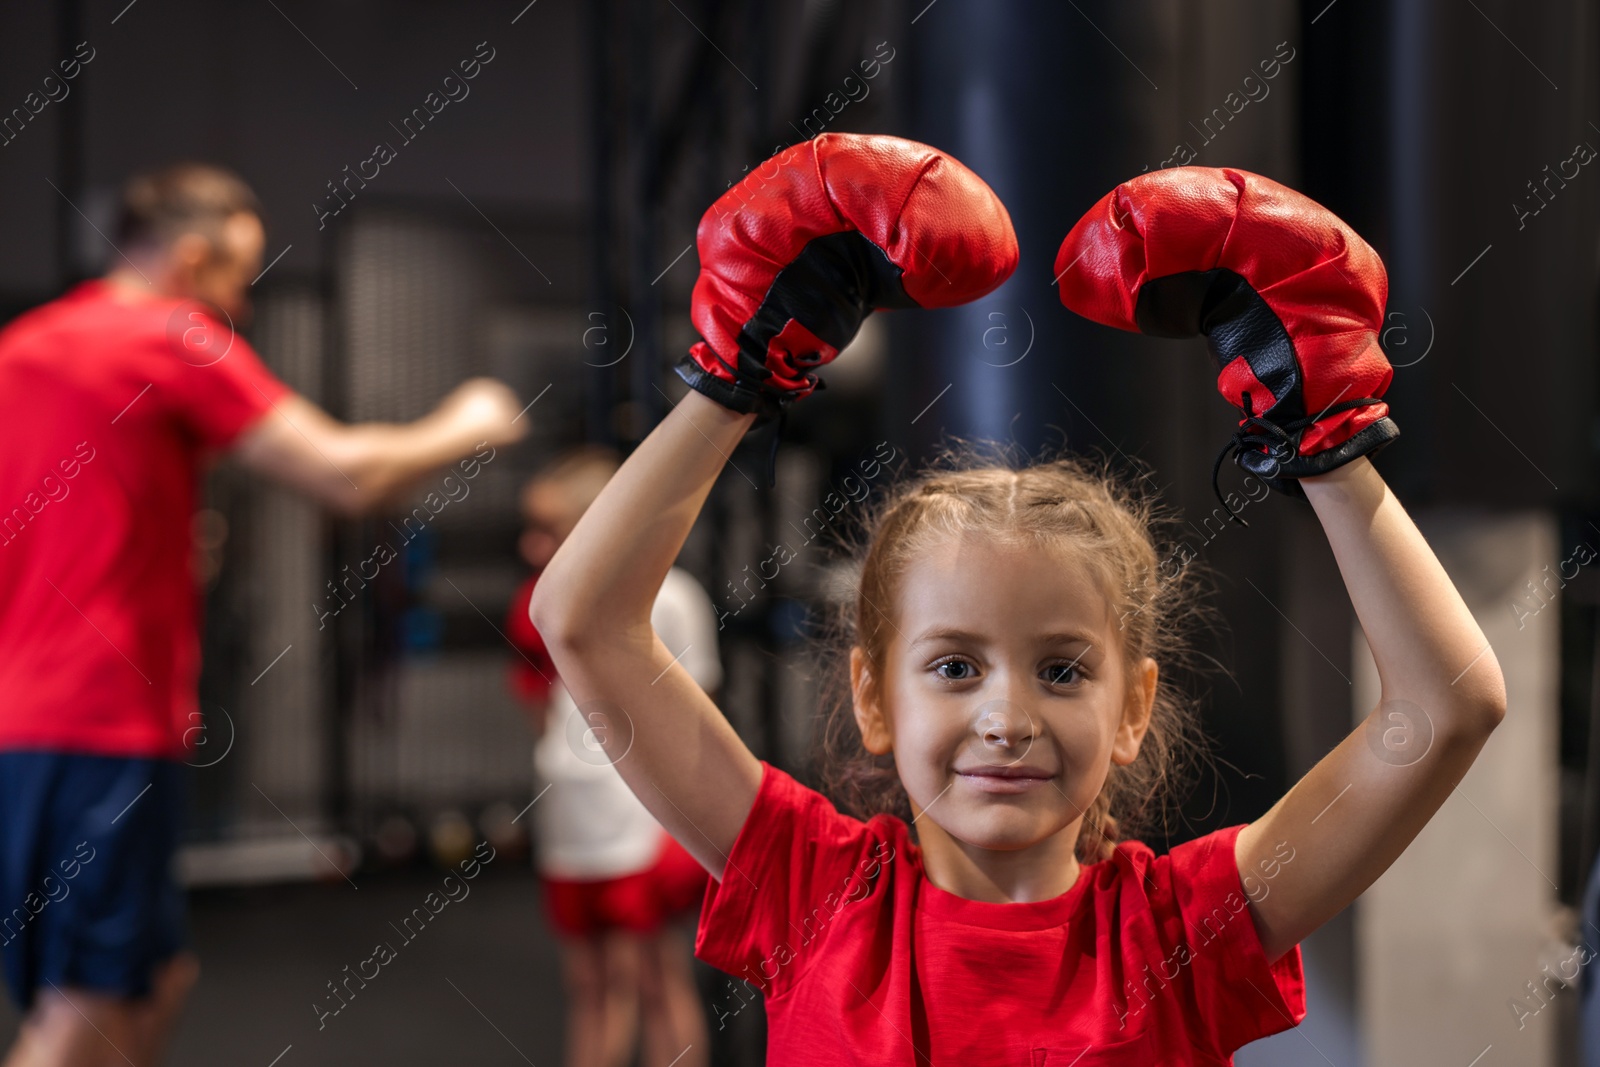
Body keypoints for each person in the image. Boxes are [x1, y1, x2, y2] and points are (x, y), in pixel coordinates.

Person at [528, 135, 1508, 1062]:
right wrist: (730, 382)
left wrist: (1326, 444)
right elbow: (583, 622)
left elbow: (1449, 701)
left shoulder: (1182, 930)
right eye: (954, 666)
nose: (1005, 715)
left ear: (1131, 707)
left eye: (1062, 668)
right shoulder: (810, 889)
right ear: (873, 696)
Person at [0, 162, 526, 1067]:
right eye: (238, 274)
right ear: (192, 257)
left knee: (157, 977)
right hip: (99, 726)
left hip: (36, 724)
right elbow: (344, 473)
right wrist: (470, 422)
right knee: (78, 1013)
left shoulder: (29, 346)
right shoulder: (170, 335)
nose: (241, 303)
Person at [504, 447, 714, 1067]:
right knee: (590, 984)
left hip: (638, 823)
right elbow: (541, 701)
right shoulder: (549, 602)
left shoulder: (669, 598)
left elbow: (695, 720)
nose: (533, 547)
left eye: (550, 530)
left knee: (651, 979)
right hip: (573, 821)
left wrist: (677, 823)